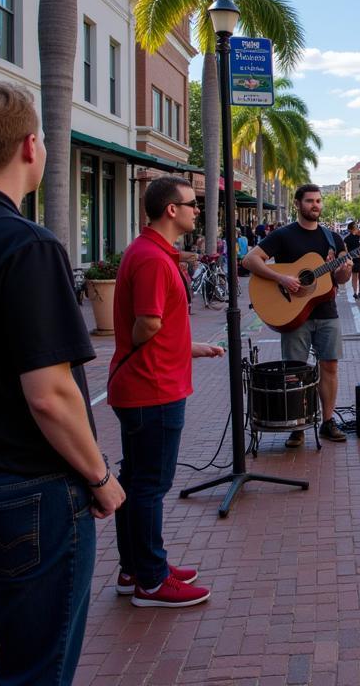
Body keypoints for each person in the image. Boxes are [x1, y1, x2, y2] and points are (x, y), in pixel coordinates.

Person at [0, 83, 126, 683]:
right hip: (28, 490)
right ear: (29, 148)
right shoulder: (27, 246)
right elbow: (50, 392)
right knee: (35, 669)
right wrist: (99, 476)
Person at [110, 175, 225, 608]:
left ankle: (135, 567)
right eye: (192, 203)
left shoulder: (149, 251)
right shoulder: (154, 259)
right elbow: (149, 323)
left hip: (148, 382)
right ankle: (152, 581)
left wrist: (189, 348)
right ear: (170, 210)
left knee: (136, 480)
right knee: (149, 486)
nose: (198, 210)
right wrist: (154, 349)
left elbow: (158, 327)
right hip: (152, 387)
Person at [243, 185, 352, 446]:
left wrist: (345, 269)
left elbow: (342, 279)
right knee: (295, 370)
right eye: (310, 201)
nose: (315, 205)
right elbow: (249, 260)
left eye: (318, 201)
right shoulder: (283, 235)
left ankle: (327, 422)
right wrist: (281, 277)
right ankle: (297, 426)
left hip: (326, 312)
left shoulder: (333, 239)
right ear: (297, 204)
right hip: (292, 313)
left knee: (330, 365)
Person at [344, 220, 360, 299]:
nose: (357, 227)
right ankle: (355, 292)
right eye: (355, 226)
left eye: (356, 226)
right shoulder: (347, 239)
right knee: (355, 275)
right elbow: (345, 250)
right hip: (353, 259)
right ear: (351, 229)